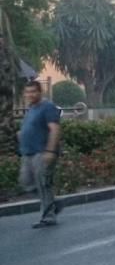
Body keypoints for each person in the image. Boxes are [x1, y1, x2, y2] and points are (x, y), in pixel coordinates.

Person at [18, 81, 63, 228]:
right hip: (28, 153)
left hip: (42, 152)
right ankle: (53, 203)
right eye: (27, 92)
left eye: (33, 91)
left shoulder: (48, 107)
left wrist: (50, 151)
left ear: (40, 92)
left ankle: (48, 217)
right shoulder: (31, 109)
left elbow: (54, 129)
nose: (30, 94)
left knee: (43, 184)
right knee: (26, 182)